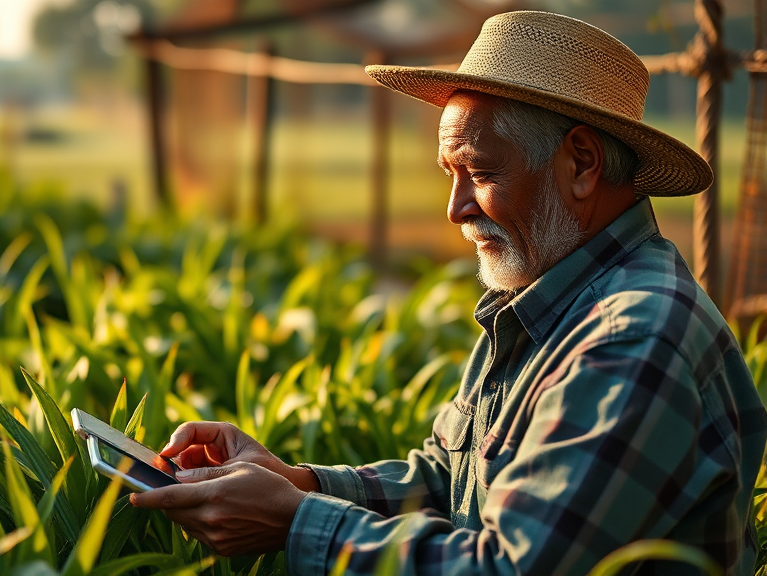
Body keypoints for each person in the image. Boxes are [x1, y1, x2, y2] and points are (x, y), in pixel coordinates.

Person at [131, 10, 767, 575]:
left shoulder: (635, 336)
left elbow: (511, 566)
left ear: (580, 163)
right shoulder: (549, 301)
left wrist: (294, 521)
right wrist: (295, 483)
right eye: (450, 175)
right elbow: (448, 481)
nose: (456, 209)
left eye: (481, 173)